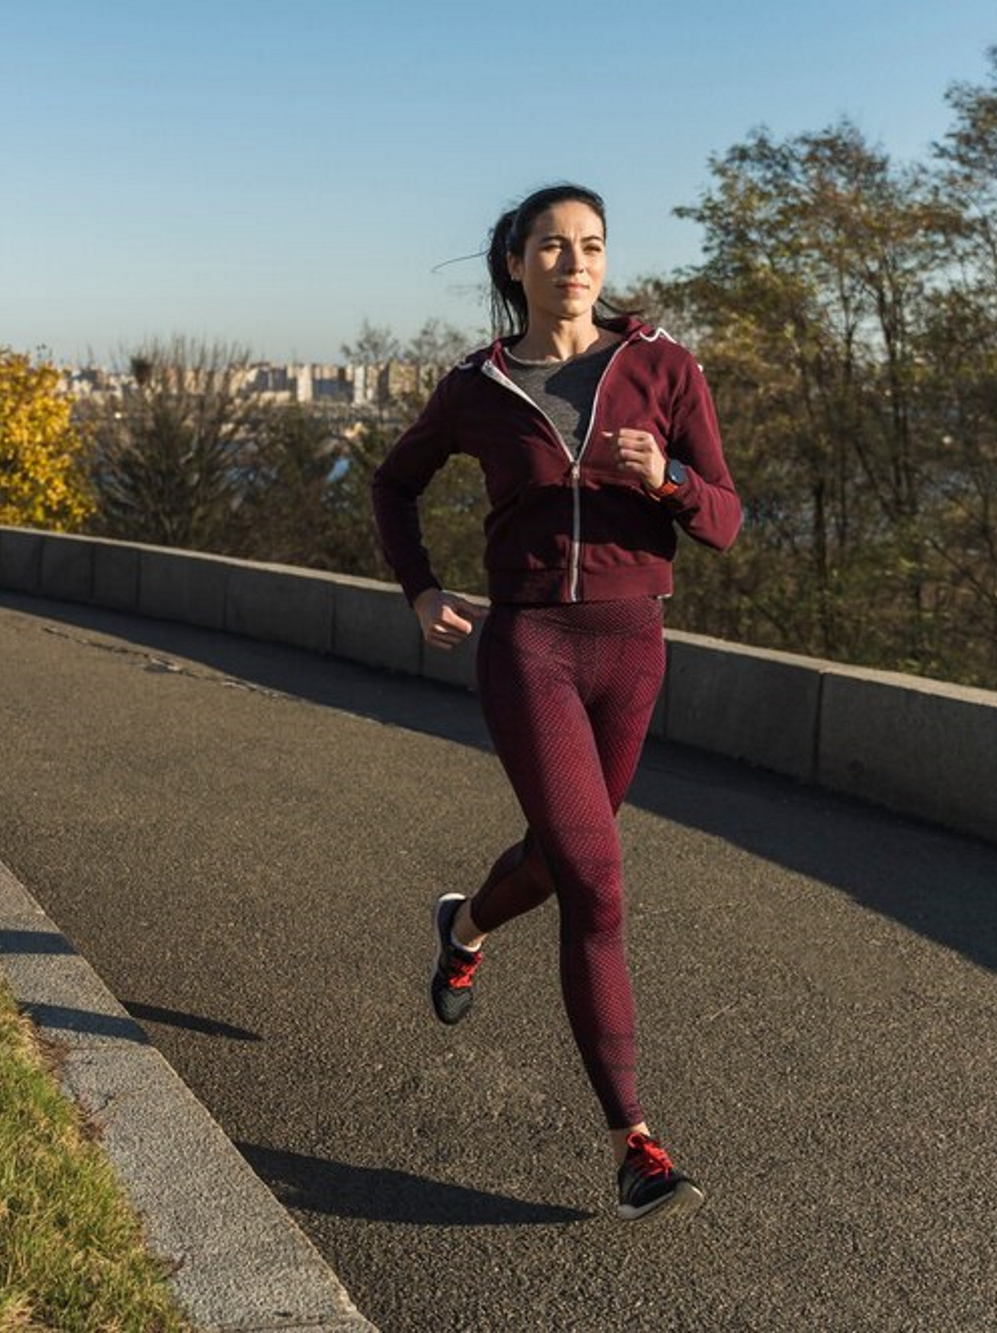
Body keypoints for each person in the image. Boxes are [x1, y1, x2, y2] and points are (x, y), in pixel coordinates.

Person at [371, 183, 740, 1221]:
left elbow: (723, 521)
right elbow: (389, 484)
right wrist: (422, 587)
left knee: (557, 852)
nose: (574, 261)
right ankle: (634, 1141)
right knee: (595, 877)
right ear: (515, 265)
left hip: (631, 646)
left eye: (589, 245)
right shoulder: (474, 387)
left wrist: (663, 477)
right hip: (527, 644)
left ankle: (465, 926)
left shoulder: (665, 368)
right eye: (550, 245)